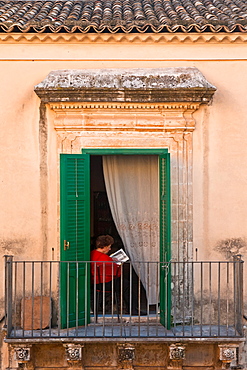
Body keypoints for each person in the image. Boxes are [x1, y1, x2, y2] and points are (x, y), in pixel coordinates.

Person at [90, 235, 145, 315]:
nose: (110, 249)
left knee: (125, 283)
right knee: (127, 285)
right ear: (104, 247)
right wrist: (118, 264)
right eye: (109, 247)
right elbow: (117, 273)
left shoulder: (92, 254)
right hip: (106, 283)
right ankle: (133, 309)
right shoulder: (106, 258)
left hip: (94, 283)